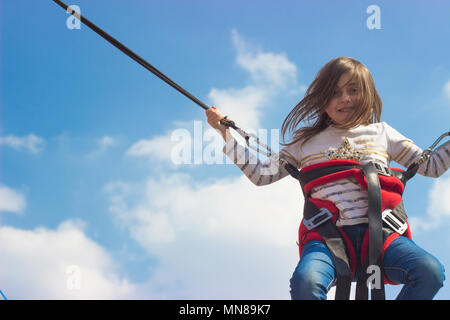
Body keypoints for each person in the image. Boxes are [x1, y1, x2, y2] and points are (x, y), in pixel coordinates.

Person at [205, 57, 447, 300]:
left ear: (368, 94)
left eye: (353, 90)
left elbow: (433, 166)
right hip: (328, 237)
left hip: (381, 236)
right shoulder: (305, 143)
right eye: (334, 93)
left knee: (430, 272)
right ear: (322, 101)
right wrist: (225, 132)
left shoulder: (383, 133)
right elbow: (261, 174)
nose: (345, 98)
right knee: (306, 282)